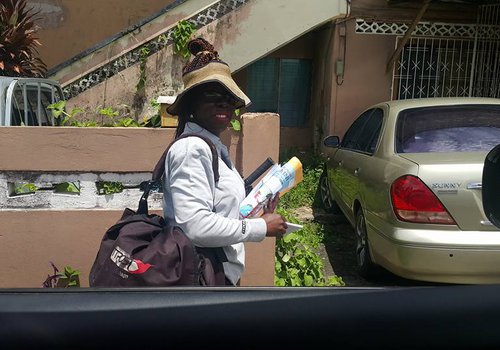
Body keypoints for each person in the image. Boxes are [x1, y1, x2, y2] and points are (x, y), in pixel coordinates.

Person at [163, 38, 287, 286]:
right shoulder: (192, 148)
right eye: (211, 94)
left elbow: (219, 211)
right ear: (191, 102)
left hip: (219, 271)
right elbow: (195, 227)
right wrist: (259, 227)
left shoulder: (212, 147)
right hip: (203, 277)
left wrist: (256, 212)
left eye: (229, 97)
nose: (223, 103)